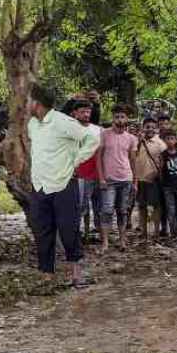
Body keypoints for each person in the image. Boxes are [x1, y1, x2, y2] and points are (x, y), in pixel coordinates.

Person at [27, 83, 100, 285]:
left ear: (37, 103)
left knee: (69, 228)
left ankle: (76, 274)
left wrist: (74, 160)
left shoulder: (62, 121)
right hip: (40, 184)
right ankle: (47, 274)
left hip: (63, 183)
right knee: (42, 229)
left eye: (28, 99)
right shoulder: (33, 124)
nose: (26, 103)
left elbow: (91, 139)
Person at [97, 104, 138, 251]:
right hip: (109, 180)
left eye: (122, 116)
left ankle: (122, 241)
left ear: (127, 118)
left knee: (122, 210)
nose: (119, 119)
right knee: (107, 210)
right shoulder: (104, 134)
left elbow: (133, 160)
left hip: (126, 178)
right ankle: (105, 242)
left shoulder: (132, 138)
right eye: (117, 116)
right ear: (112, 118)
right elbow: (99, 157)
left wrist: (135, 180)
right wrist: (101, 178)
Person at [69, 101, 103, 245]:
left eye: (88, 111)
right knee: (81, 206)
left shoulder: (98, 130)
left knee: (99, 206)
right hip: (80, 173)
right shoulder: (70, 130)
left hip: (98, 172)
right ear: (75, 113)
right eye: (83, 111)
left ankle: (100, 234)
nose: (86, 114)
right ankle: (81, 234)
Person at [131, 116, 167, 241]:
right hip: (139, 178)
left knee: (156, 205)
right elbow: (133, 156)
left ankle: (156, 231)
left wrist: (158, 174)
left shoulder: (161, 144)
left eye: (152, 127)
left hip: (154, 178)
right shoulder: (137, 141)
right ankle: (143, 231)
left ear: (156, 129)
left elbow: (164, 161)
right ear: (143, 128)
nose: (150, 129)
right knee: (142, 205)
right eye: (147, 127)